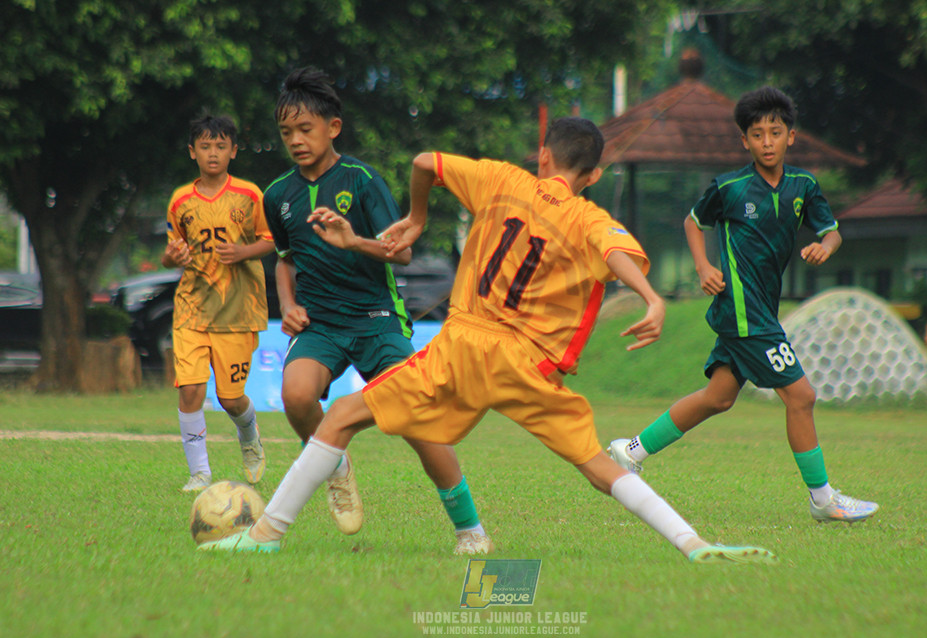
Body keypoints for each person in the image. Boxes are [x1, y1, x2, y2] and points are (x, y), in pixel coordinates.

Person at [201, 116, 777, 564]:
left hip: (463, 347)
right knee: (598, 464)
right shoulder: (586, 216)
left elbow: (424, 160)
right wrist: (651, 297)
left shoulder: (504, 180)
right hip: (525, 364)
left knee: (340, 417)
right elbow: (616, 252)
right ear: (594, 176)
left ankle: (266, 535)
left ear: (543, 155)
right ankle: (693, 543)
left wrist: (419, 217)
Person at [607, 86, 879, 524]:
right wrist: (702, 266)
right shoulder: (730, 187)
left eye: (775, 132)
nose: (767, 141)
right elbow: (694, 223)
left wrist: (825, 246)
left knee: (718, 397)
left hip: (761, 311)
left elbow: (832, 231)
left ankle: (629, 450)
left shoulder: (803, 186)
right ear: (745, 141)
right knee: (802, 396)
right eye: (757, 134)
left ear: (791, 136)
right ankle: (823, 499)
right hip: (742, 310)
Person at [260, 66, 491, 554]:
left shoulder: (363, 181)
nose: (296, 141)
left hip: (376, 319)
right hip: (321, 323)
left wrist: (354, 239)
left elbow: (402, 252)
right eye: (287, 133)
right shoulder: (277, 195)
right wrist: (287, 303)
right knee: (297, 397)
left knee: (416, 419)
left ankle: (470, 530)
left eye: (306, 129)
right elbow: (284, 259)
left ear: (332, 128)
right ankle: (334, 464)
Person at [163, 114, 274, 492]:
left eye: (221, 146)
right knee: (191, 389)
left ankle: (249, 433)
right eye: (206, 146)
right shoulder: (180, 201)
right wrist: (172, 258)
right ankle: (200, 473)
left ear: (234, 151)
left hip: (238, 311)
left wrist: (243, 251)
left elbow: (272, 239)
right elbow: (170, 252)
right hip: (192, 309)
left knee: (230, 398)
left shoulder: (250, 195)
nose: (213, 153)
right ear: (192, 152)